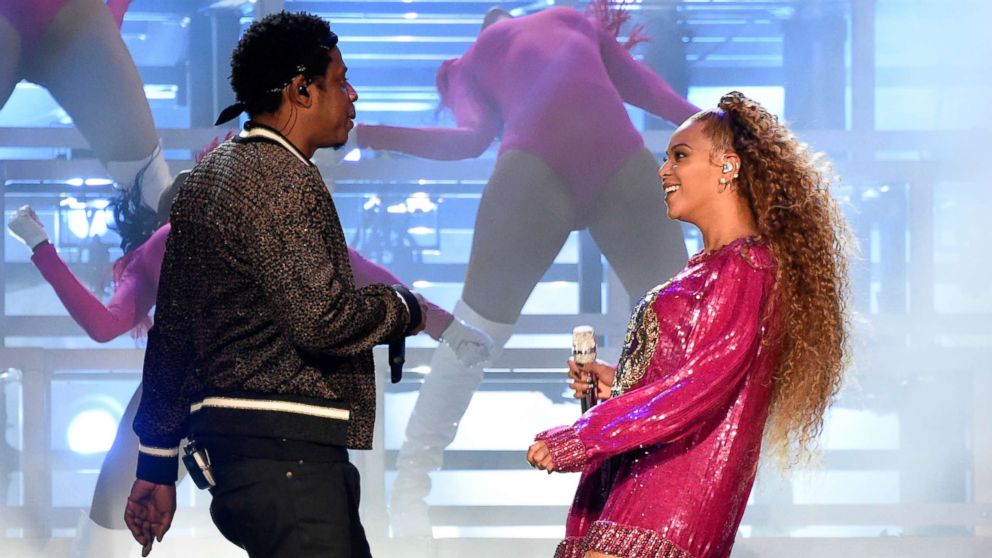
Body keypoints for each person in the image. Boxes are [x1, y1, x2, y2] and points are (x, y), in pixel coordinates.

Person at [355, 3, 699, 535]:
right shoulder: (567, 19)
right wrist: (722, 127)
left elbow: (468, 142)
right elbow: (650, 91)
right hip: (614, 164)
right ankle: (684, 485)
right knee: (683, 328)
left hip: (538, 173)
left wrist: (368, 135)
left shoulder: (474, 59)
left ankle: (411, 488)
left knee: (474, 334)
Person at [6, 198, 489, 557]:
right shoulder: (262, 230)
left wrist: (41, 246)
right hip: (256, 407)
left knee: (122, 511)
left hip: (218, 404)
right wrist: (449, 327)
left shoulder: (171, 243)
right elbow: (372, 278)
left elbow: (104, 325)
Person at [122, 12, 427, 557]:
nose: (353, 96)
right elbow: (321, 321)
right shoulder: (281, 179)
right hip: (291, 462)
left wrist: (155, 461)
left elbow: (172, 336)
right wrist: (403, 308)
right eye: (340, 81)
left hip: (244, 465)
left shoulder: (211, 177)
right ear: (301, 90)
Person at [525, 91, 853, 558]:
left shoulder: (748, 267)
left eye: (680, 156)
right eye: (665, 158)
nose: (664, 171)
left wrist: (584, 435)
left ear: (729, 165)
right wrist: (620, 383)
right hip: (644, 482)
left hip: (672, 497)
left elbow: (702, 386)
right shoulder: (713, 267)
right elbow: (688, 375)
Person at [0, 0, 174, 254]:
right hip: (71, 19)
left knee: (152, 195)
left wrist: (111, 19)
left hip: (72, 19)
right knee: (151, 192)